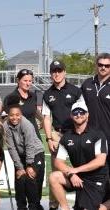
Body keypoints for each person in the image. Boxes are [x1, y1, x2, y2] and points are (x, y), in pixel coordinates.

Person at [49, 101, 108, 210]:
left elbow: (100, 161)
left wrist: (75, 170)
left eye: (82, 112)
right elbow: (58, 162)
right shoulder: (66, 137)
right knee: (54, 177)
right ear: (71, 115)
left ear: (87, 115)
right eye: (75, 112)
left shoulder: (97, 134)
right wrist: (71, 174)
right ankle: (65, 208)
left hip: (97, 179)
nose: (79, 115)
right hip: (78, 177)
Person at [42, 60, 84, 210]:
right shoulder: (47, 94)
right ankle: (55, 205)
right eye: (54, 71)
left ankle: (81, 203)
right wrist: (48, 138)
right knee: (56, 172)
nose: (57, 74)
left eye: (59, 70)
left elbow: (84, 113)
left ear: (65, 72)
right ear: (51, 74)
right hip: (57, 135)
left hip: (75, 133)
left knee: (79, 168)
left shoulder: (76, 91)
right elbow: (46, 118)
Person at [3, 97, 45, 210]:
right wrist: (20, 167)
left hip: (35, 153)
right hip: (21, 155)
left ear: (21, 115)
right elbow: (11, 148)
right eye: (11, 115)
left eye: (17, 115)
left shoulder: (27, 125)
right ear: (8, 115)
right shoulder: (6, 126)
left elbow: (30, 145)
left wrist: (30, 165)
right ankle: (21, 207)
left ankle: (34, 206)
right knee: (20, 178)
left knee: (31, 178)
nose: (14, 117)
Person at [3, 69, 42, 138]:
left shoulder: (33, 96)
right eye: (25, 81)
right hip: (18, 138)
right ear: (18, 80)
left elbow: (34, 111)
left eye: (30, 81)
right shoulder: (10, 98)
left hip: (34, 136)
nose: (28, 83)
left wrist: (43, 120)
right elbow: (5, 118)